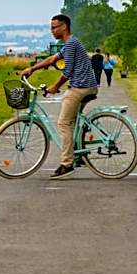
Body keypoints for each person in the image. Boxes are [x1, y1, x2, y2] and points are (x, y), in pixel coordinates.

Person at [20, 14, 97, 179]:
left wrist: (55, 87)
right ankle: (78, 154)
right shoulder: (70, 43)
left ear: (64, 27)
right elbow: (53, 59)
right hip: (88, 86)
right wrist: (33, 69)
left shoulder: (70, 44)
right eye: (51, 28)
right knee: (73, 121)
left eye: (54, 27)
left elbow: (67, 71)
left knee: (63, 123)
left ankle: (67, 163)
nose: (52, 31)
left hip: (80, 88)